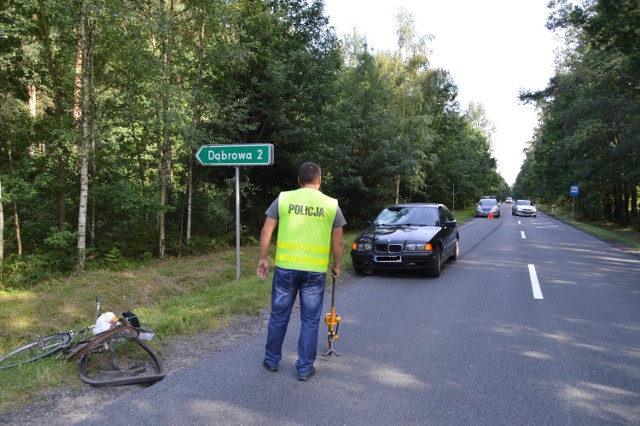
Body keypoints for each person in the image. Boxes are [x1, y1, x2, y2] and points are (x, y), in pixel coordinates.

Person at [257, 162, 346, 381]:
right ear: (319, 181)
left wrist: (262, 258)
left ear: (298, 180)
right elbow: (339, 240)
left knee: (278, 316)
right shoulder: (331, 204)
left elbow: (267, 228)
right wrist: (336, 265)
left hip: (286, 269)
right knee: (310, 321)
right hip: (314, 272)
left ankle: (271, 361)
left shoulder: (284, 199)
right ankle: (304, 368)